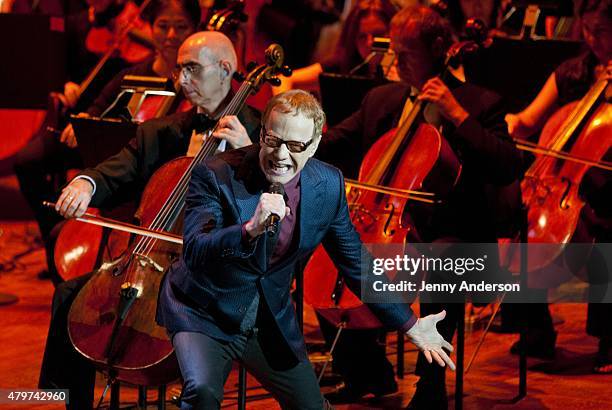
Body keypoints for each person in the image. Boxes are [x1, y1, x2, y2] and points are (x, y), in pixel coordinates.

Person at [155, 89, 456, 410]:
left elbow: (356, 263)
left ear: (313, 146)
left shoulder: (327, 185)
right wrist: (248, 230)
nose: (281, 155)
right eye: (273, 140)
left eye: (296, 146)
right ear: (262, 134)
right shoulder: (215, 174)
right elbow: (196, 250)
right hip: (204, 310)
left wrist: (409, 323)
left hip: (267, 318)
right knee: (201, 392)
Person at [39, 31, 261, 410]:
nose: (181, 80)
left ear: (226, 69)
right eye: (178, 70)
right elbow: (113, 171)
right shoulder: (161, 131)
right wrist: (84, 183)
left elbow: (289, 195)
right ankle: (72, 402)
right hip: (155, 262)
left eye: (192, 69)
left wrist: (250, 155)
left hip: (220, 270)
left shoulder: (261, 132)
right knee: (70, 294)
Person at [318, 5, 523, 408]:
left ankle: (432, 386)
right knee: (325, 251)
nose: (394, 62)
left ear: (439, 50)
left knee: (438, 260)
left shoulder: (481, 103)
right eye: (392, 51)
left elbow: (508, 166)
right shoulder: (382, 98)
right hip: (393, 227)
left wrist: (457, 114)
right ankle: (368, 373)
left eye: (405, 53)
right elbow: (333, 143)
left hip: (460, 237)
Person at [13, 0, 188, 280]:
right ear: (152, 27)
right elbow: (100, 105)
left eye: (181, 27)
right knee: (27, 161)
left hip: (157, 178)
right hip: (115, 160)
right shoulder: (133, 72)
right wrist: (85, 121)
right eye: (163, 26)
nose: (170, 36)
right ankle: (61, 232)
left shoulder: (195, 84)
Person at [505, 0, 612, 373]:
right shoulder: (572, 73)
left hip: (607, 187)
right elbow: (529, 119)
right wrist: (505, 123)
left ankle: (608, 338)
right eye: (587, 30)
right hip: (565, 184)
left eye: (601, 32)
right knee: (521, 225)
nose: (592, 40)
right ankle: (536, 332)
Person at [272, 0, 398, 95]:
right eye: (362, 37)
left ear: (393, 32)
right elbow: (284, 79)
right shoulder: (345, 65)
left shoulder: (403, 72)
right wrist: (284, 115)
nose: (370, 43)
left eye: (378, 34)